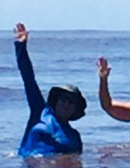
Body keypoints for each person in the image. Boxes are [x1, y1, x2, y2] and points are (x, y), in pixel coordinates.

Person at [14, 22, 87, 157]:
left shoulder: (75, 137)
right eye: (63, 100)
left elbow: (77, 163)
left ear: (76, 109)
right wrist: (21, 46)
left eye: (71, 103)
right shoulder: (40, 113)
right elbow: (28, 78)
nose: (66, 105)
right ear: (56, 101)